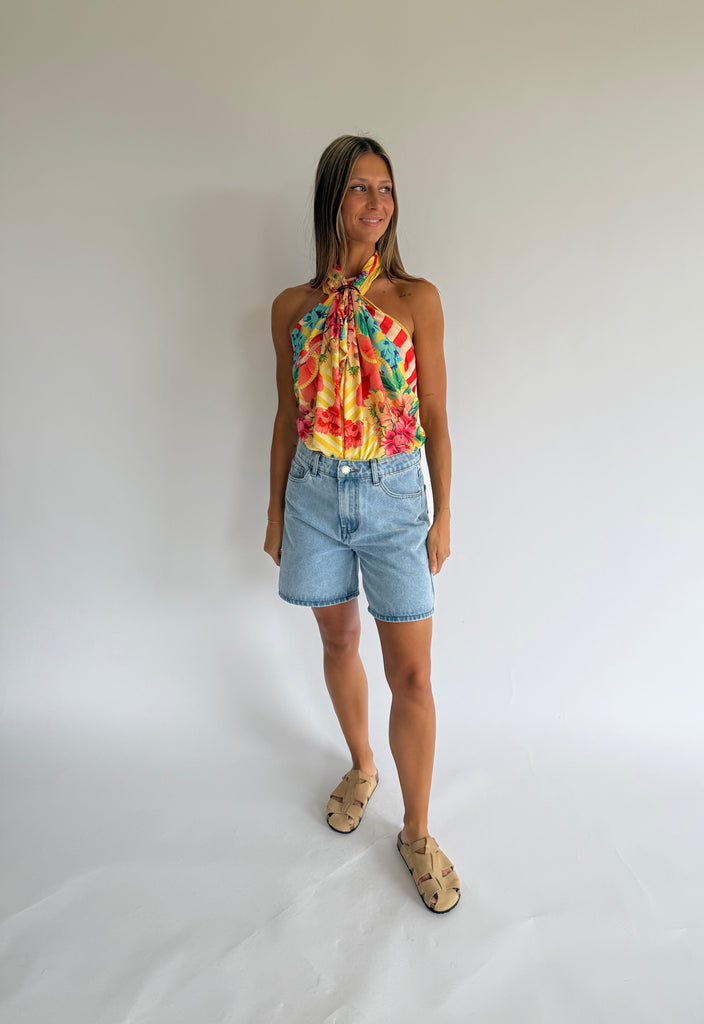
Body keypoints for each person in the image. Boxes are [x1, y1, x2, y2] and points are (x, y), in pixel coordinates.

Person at [264, 135, 460, 913]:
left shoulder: (416, 299)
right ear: (331, 201)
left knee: (413, 675)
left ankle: (416, 831)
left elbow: (436, 412)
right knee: (338, 641)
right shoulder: (292, 308)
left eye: (386, 187)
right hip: (314, 494)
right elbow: (287, 417)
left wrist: (442, 514)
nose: (377, 201)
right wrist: (275, 511)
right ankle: (361, 763)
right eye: (359, 188)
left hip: (393, 496)